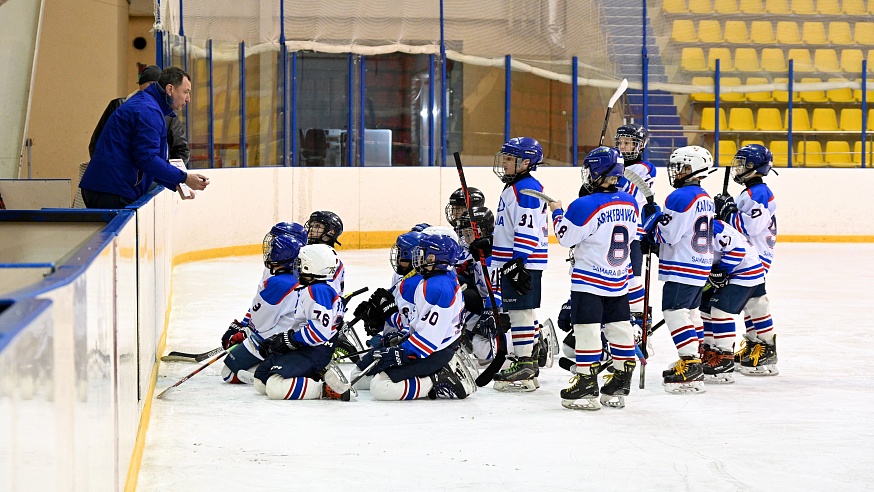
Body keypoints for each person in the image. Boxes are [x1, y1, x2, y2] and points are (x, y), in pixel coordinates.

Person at [549, 147, 639, 410]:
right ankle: (621, 378)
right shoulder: (629, 202)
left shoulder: (584, 204)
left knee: (587, 330)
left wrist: (557, 211)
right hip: (618, 277)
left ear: (598, 171)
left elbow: (566, 237)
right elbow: (632, 236)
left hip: (589, 279)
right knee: (619, 326)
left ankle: (586, 382)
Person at [350, 232, 475, 400]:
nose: (419, 258)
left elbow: (428, 341)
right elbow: (421, 322)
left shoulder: (438, 288)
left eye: (425, 254)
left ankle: (438, 378)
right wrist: (401, 336)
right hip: (431, 346)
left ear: (437, 259)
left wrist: (399, 353)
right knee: (359, 376)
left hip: (437, 352)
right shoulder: (432, 280)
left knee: (381, 387)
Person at [475, 137, 549, 392]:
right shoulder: (515, 187)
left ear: (526, 162)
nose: (504, 163)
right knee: (520, 312)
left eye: (509, 159)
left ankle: (526, 363)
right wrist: (491, 243)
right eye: (504, 158)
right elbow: (509, 226)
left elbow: (526, 231)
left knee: (520, 313)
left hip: (522, 262)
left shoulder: (525, 189)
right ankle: (526, 359)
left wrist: (518, 263)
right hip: (515, 261)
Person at [641, 145, 715, 394]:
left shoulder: (681, 196)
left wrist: (652, 223)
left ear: (693, 169)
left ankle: (690, 361)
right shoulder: (704, 196)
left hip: (683, 265)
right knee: (691, 312)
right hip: (700, 263)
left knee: (673, 311)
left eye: (681, 167)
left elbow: (668, 235)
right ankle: (698, 356)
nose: (676, 172)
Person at [80, 67, 208, 208]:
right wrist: (184, 178)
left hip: (108, 187)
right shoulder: (148, 110)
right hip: (113, 190)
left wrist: (176, 183)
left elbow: (147, 160)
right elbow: (147, 159)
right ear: (170, 89)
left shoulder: (148, 105)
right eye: (186, 92)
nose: (188, 99)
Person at [252, 244, 352, 401]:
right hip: (305, 346)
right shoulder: (315, 288)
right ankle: (311, 375)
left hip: (315, 350)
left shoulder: (318, 291)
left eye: (300, 262)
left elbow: (320, 332)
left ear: (310, 266)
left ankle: (326, 389)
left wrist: (289, 340)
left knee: (275, 388)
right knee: (261, 380)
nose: (296, 266)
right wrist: (279, 339)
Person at [716, 144, 779, 376]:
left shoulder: (759, 192)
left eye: (745, 164)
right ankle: (756, 344)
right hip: (752, 253)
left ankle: (766, 349)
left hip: (757, 254)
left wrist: (728, 211)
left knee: (756, 301)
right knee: (752, 302)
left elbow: (749, 227)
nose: (739, 167)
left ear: (756, 168)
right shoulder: (751, 192)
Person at [219, 233, 303, 384]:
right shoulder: (301, 277)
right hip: (293, 339)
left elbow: (260, 324)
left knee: (228, 374)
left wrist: (244, 332)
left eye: (273, 250)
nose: (269, 253)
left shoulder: (278, 283)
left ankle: (270, 372)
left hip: (274, 342)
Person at [699, 219, 766, 384]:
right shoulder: (691, 224)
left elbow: (737, 251)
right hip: (732, 271)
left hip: (744, 272)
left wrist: (721, 271)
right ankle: (711, 351)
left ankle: (725, 359)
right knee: (705, 309)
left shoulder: (713, 227)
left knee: (720, 311)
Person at [89, 65, 190, 165]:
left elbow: (180, 148)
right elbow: (98, 141)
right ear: (141, 85)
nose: (155, 88)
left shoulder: (169, 115)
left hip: (150, 175)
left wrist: (170, 171)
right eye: (151, 84)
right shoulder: (121, 106)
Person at [454, 207, 505, 365]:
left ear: (482, 231)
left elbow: (500, 291)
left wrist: (490, 311)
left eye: (469, 234)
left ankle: (535, 338)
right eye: (465, 234)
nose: (466, 239)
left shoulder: (495, 258)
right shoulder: (478, 256)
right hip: (486, 305)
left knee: (485, 353)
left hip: (504, 310)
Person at [614, 124, 656, 318]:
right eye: (620, 143)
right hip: (615, 230)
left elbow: (629, 191)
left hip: (635, 233)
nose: (623, 147)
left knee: (633, 280)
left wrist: (604, 174)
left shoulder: (645, 168)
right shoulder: (616, 166)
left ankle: (638, 317)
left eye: (628, 143)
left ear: (639, 146)